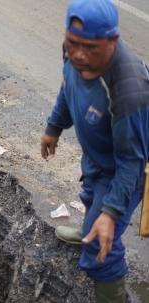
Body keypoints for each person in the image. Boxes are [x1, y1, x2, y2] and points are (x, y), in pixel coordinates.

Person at [40, 0, 149, 301]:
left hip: (125, 167)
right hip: (99, 152)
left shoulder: (128, 90)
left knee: (103, 246)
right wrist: (54, 126)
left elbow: (131, 163)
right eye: (72, 43)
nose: (77, 54)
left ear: (111, 40)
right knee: (90, 193)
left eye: (89, 47)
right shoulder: (75, 52)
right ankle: (91, 224)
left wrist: (110, 214)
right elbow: (68, 86)